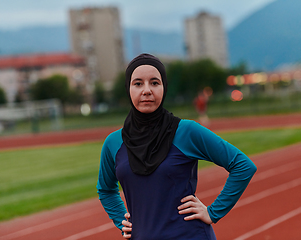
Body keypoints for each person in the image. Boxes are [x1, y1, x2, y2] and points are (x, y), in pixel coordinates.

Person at [97, 53, 257, 240]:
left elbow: (243, 166)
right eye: (138, 83)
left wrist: (213, 212)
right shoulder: (113, 143)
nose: (147, 90)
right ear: (128, 88)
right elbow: (106, 189)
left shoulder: (187, 131)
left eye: (155, 83)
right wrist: (121, 221)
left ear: (164, 87)